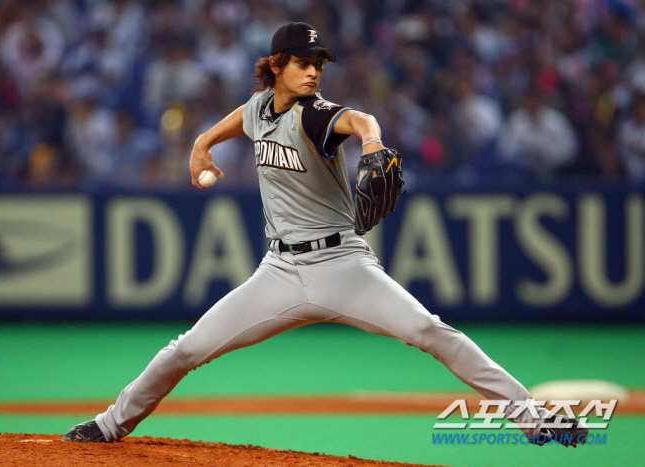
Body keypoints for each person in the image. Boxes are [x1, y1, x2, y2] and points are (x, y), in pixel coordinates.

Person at [63, 21, 587, 448]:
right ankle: (111, 424)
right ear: (275, 67)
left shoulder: (315, 115)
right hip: (279, 273)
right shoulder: (257, 109)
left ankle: (532, 415)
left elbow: (359, 120)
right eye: (303, 63)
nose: (314, 71)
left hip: (344, 268)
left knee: (430, 331)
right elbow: (233, 123)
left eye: (318, 64)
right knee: (185, 350)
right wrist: (201, 145)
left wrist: (375, 139)